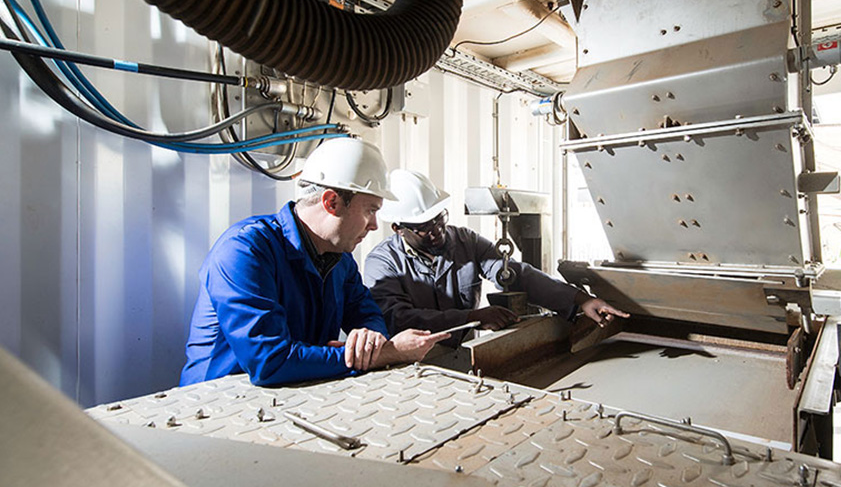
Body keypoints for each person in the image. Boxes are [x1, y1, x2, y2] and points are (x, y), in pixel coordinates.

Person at [180, 139, 449, 387]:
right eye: (370, 210)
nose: (374, 225)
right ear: (332, 202)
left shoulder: (340, 259)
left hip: (290, 395)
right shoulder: (245, 251)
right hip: (213, 403)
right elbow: (270, 361)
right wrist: (387, 353)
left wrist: (369, 338)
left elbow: (366, 313)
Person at [363, 169, 629, 346]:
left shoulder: (464, 241)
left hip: (465, 351)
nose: (437, 231)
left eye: (440, 218)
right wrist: (472, 317)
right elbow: (399, 318)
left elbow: (514, 274)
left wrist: (579, 299)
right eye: (424, 227)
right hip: (413, 365)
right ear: (398, 228)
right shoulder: (383, 263)